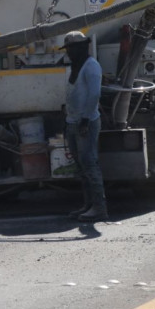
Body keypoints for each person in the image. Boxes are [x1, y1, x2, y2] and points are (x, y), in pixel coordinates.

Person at [62, 31, 107, 222]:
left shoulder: (91, 66)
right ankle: (88, 205)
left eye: (72, 48)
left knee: (89, 163)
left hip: (85, 123)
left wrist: (86, 120)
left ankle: (99, 208)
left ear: (81, 48)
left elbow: (94, 95)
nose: (69, 52)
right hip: (73, 121)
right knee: (81, 167)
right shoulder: (74, 66)